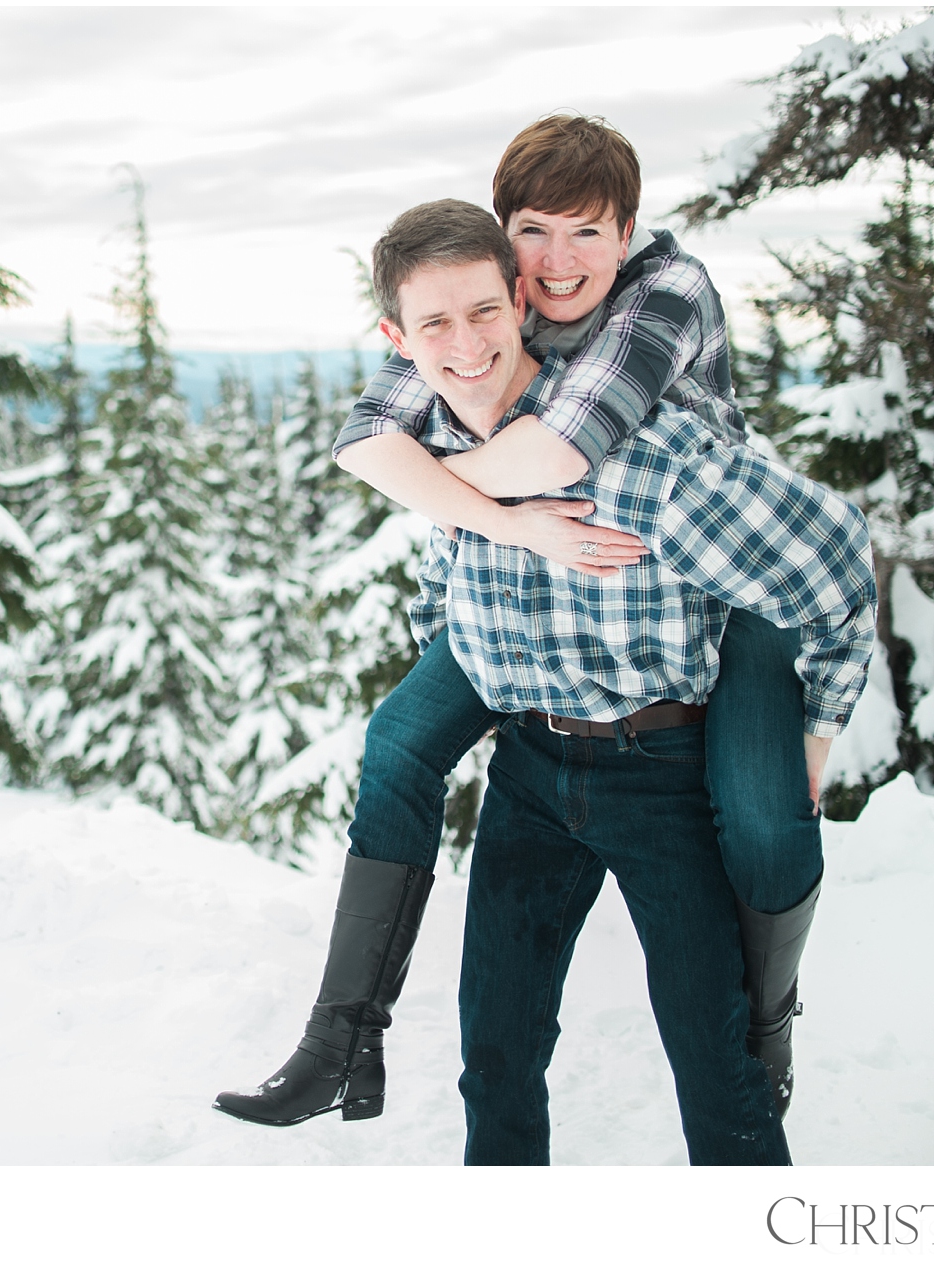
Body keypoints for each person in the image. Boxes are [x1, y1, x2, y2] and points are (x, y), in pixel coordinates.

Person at [215, 116, 847, 1136]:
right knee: (400, 745)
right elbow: (368, 441)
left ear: (627, 232)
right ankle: (341, 1035)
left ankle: (767, 1023)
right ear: (509, 248)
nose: (557, 263)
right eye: (534, 234)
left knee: (765, 827)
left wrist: (438, 488)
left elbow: (551, 452)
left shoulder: (664, 300)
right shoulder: (477, 313)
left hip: (734, 602)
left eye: (586, 234)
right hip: (537, 742)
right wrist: (487, 517)